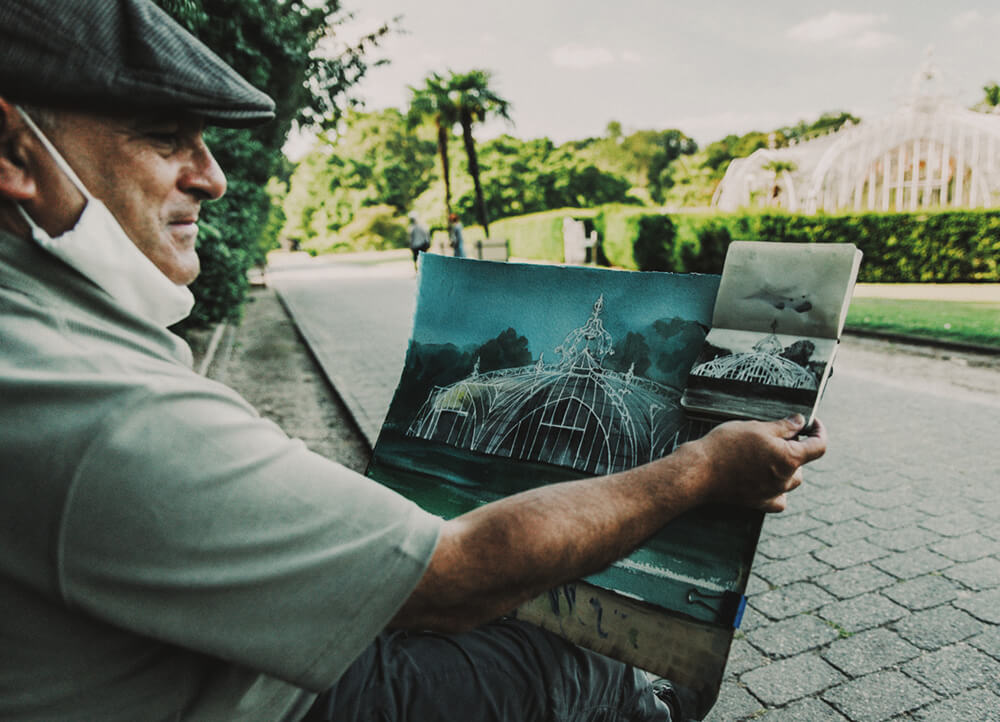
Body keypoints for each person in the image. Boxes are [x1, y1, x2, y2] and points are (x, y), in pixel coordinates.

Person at [0, 2, 828, 721]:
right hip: (253, 697)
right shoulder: (95, 402)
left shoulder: (43, 335)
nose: (211, 178)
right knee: (583, 649)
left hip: (203, 659)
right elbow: (456, 573)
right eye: (163, 136)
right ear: (14, 150)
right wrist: (697, 473)